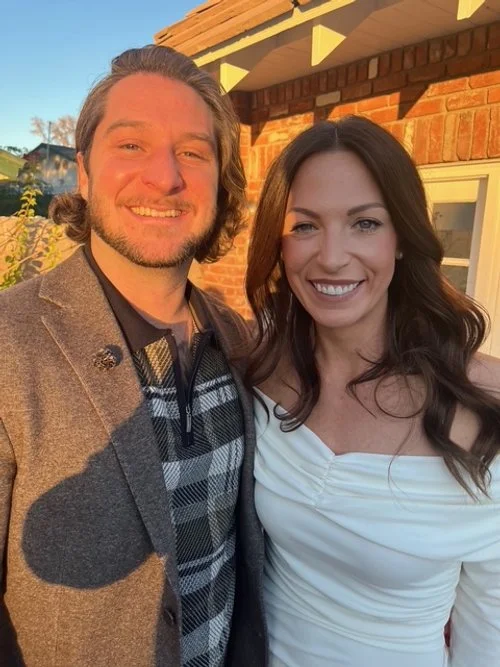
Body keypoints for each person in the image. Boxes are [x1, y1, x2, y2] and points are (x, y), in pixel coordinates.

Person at [0, 45, 267, 667]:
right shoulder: (9, 345)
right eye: (130, 145)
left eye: (193, 153)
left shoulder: (238, 341)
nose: (165, 177)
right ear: (83, 172)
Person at [245, 116, 500, 667]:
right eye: (305, 226)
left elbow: (491, 624)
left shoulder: (482, 406)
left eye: (365, 223)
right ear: (278, 244)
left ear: (402, 238)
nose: (332, 256)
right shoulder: (260, 370)